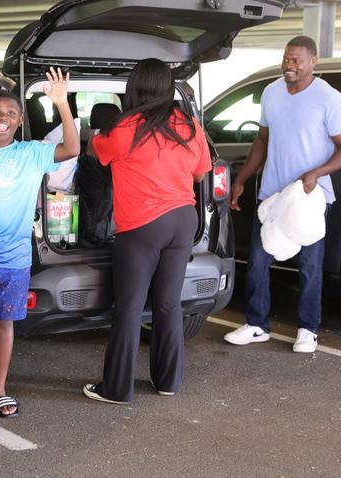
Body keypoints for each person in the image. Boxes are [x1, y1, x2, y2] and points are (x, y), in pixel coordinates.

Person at [0, 68, 79, 417]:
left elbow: (71, 148)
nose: (2, 118)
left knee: (3, 324)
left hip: (14, 257)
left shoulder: (32, 153)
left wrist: (62, 104)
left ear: (19, 120)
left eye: (9, 113)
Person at [82, 58, 211, 405]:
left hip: (143, 225)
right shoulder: (188, 125)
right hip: (184, 220)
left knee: (130, 307)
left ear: (134, 88)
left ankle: (117, 389)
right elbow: (201, 174)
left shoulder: (124, 128)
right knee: (169, 304)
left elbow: (96, 155)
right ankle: (168, 382)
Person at [223, 35, 341, 353]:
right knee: (257, 260)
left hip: (310, 196)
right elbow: (262, 141)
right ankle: (257, 325)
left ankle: (308, 330)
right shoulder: (270, 93)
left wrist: (316, 173)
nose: (289, 65)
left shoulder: (328, 98)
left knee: (309, 265)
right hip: (273, 194)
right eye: (286, 58)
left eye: (296, 60)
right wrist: (242, 178)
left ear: (313, 61)